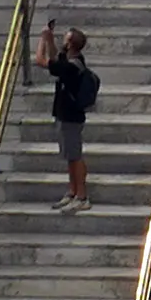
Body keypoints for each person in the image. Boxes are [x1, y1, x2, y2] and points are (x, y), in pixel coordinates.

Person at [42, 21, 101, 211]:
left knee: (75, 156)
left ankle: (82, 196)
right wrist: (50, 39)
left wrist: (46, 40)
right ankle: (72, 191)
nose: (62, 42)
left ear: (70, 44)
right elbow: (55, 61)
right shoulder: (70, 62)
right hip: (64, 115)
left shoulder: (72, 67)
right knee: (70, 156)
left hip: (71, 117)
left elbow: (48, 61)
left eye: (65, 39)